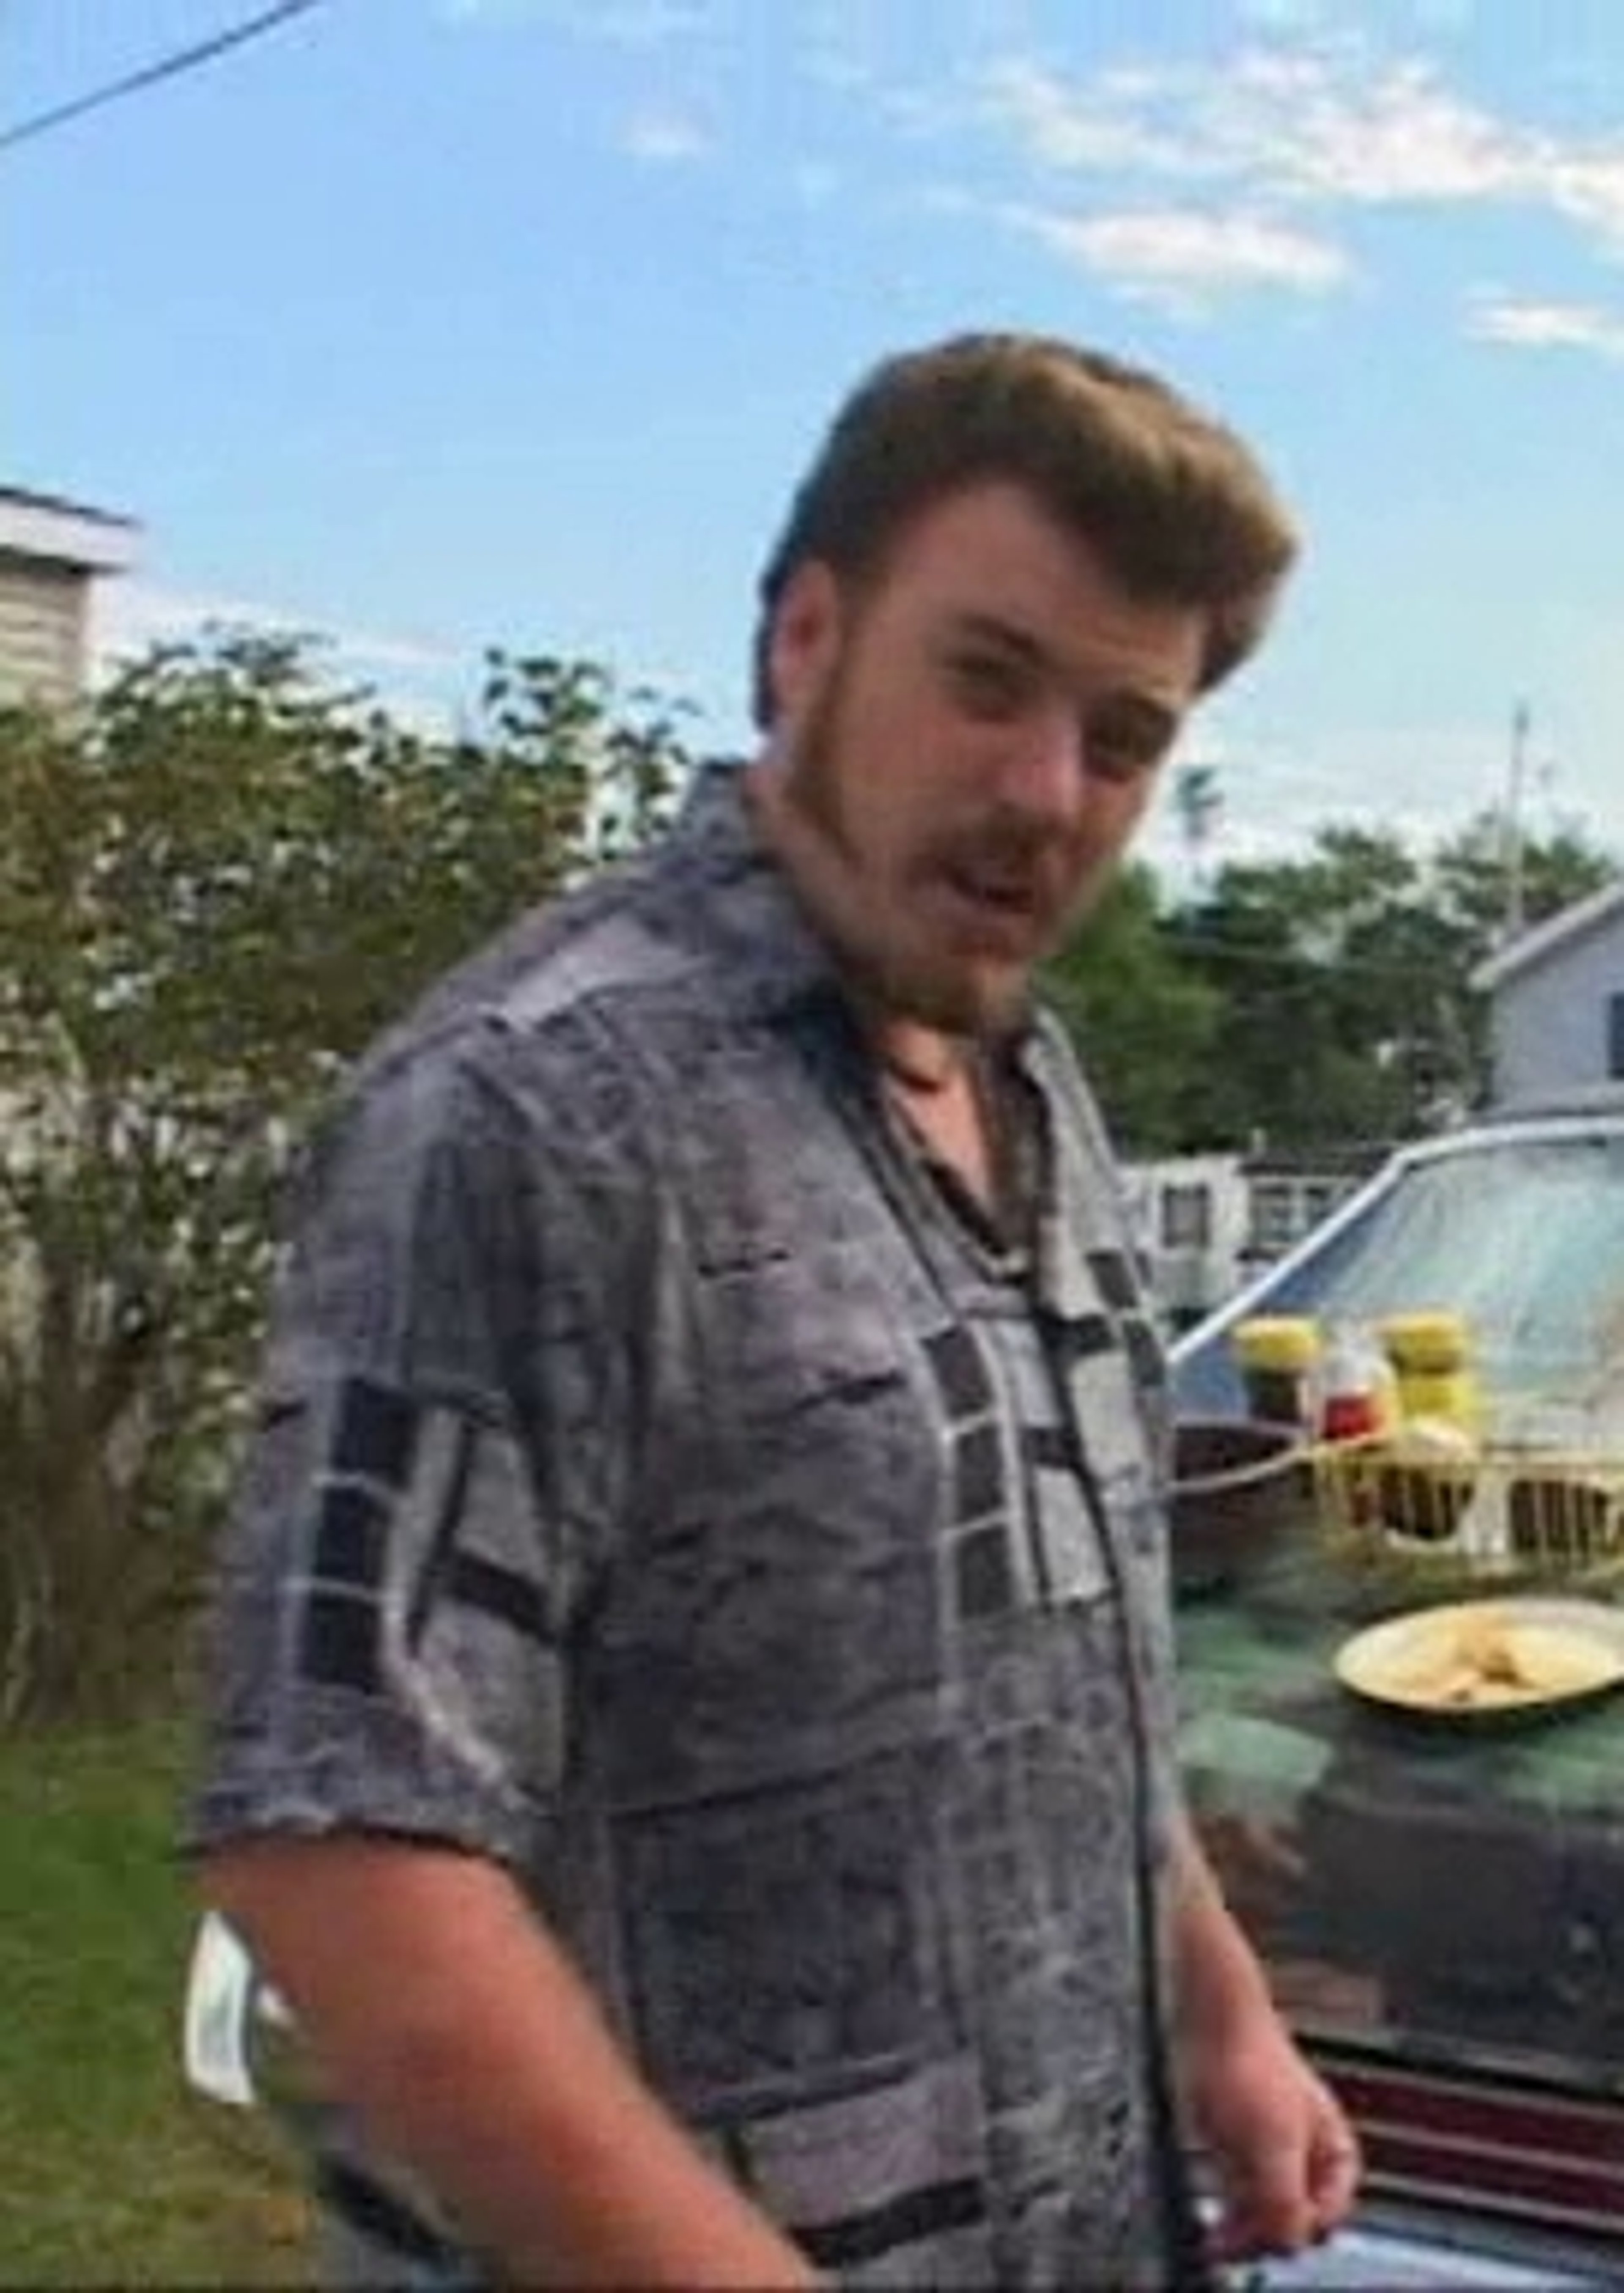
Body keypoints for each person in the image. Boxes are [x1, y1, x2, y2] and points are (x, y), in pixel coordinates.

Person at [187, 332, 1361, 2289]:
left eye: (1128, 737)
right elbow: (337, 1847)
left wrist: (1219, 2017)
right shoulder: (529, 1114)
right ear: (806, 641)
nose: (1046, 793)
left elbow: (1058, 1671)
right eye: (985, 680)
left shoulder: (1034, 1087)